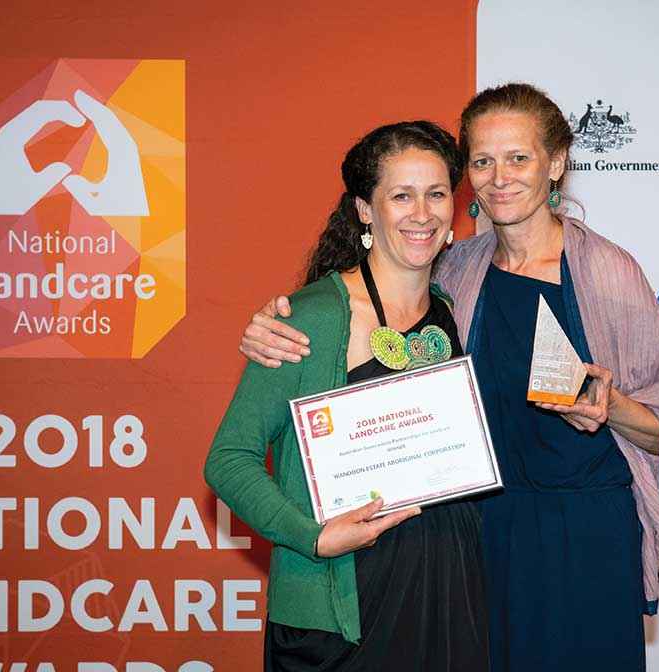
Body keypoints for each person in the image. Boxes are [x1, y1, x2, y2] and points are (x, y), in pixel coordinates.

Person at [238, 84, 659, 671]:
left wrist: (611, 406)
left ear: (555, 164)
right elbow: (358, 302)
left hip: (581, 540)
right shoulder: (453, 273)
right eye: (482, 160)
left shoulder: (608, 273)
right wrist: (268, 325)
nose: (499, 176)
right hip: (477, 541)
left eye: (519, 158)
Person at [206, 121, 489, 672]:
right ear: (365, 208)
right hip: (346, 604)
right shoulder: (309, 318)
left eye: (436, 194)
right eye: (401, 196)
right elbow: (228, 460)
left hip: (446, 587)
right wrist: (313, 538)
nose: (422, 213)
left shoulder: (450, 308)